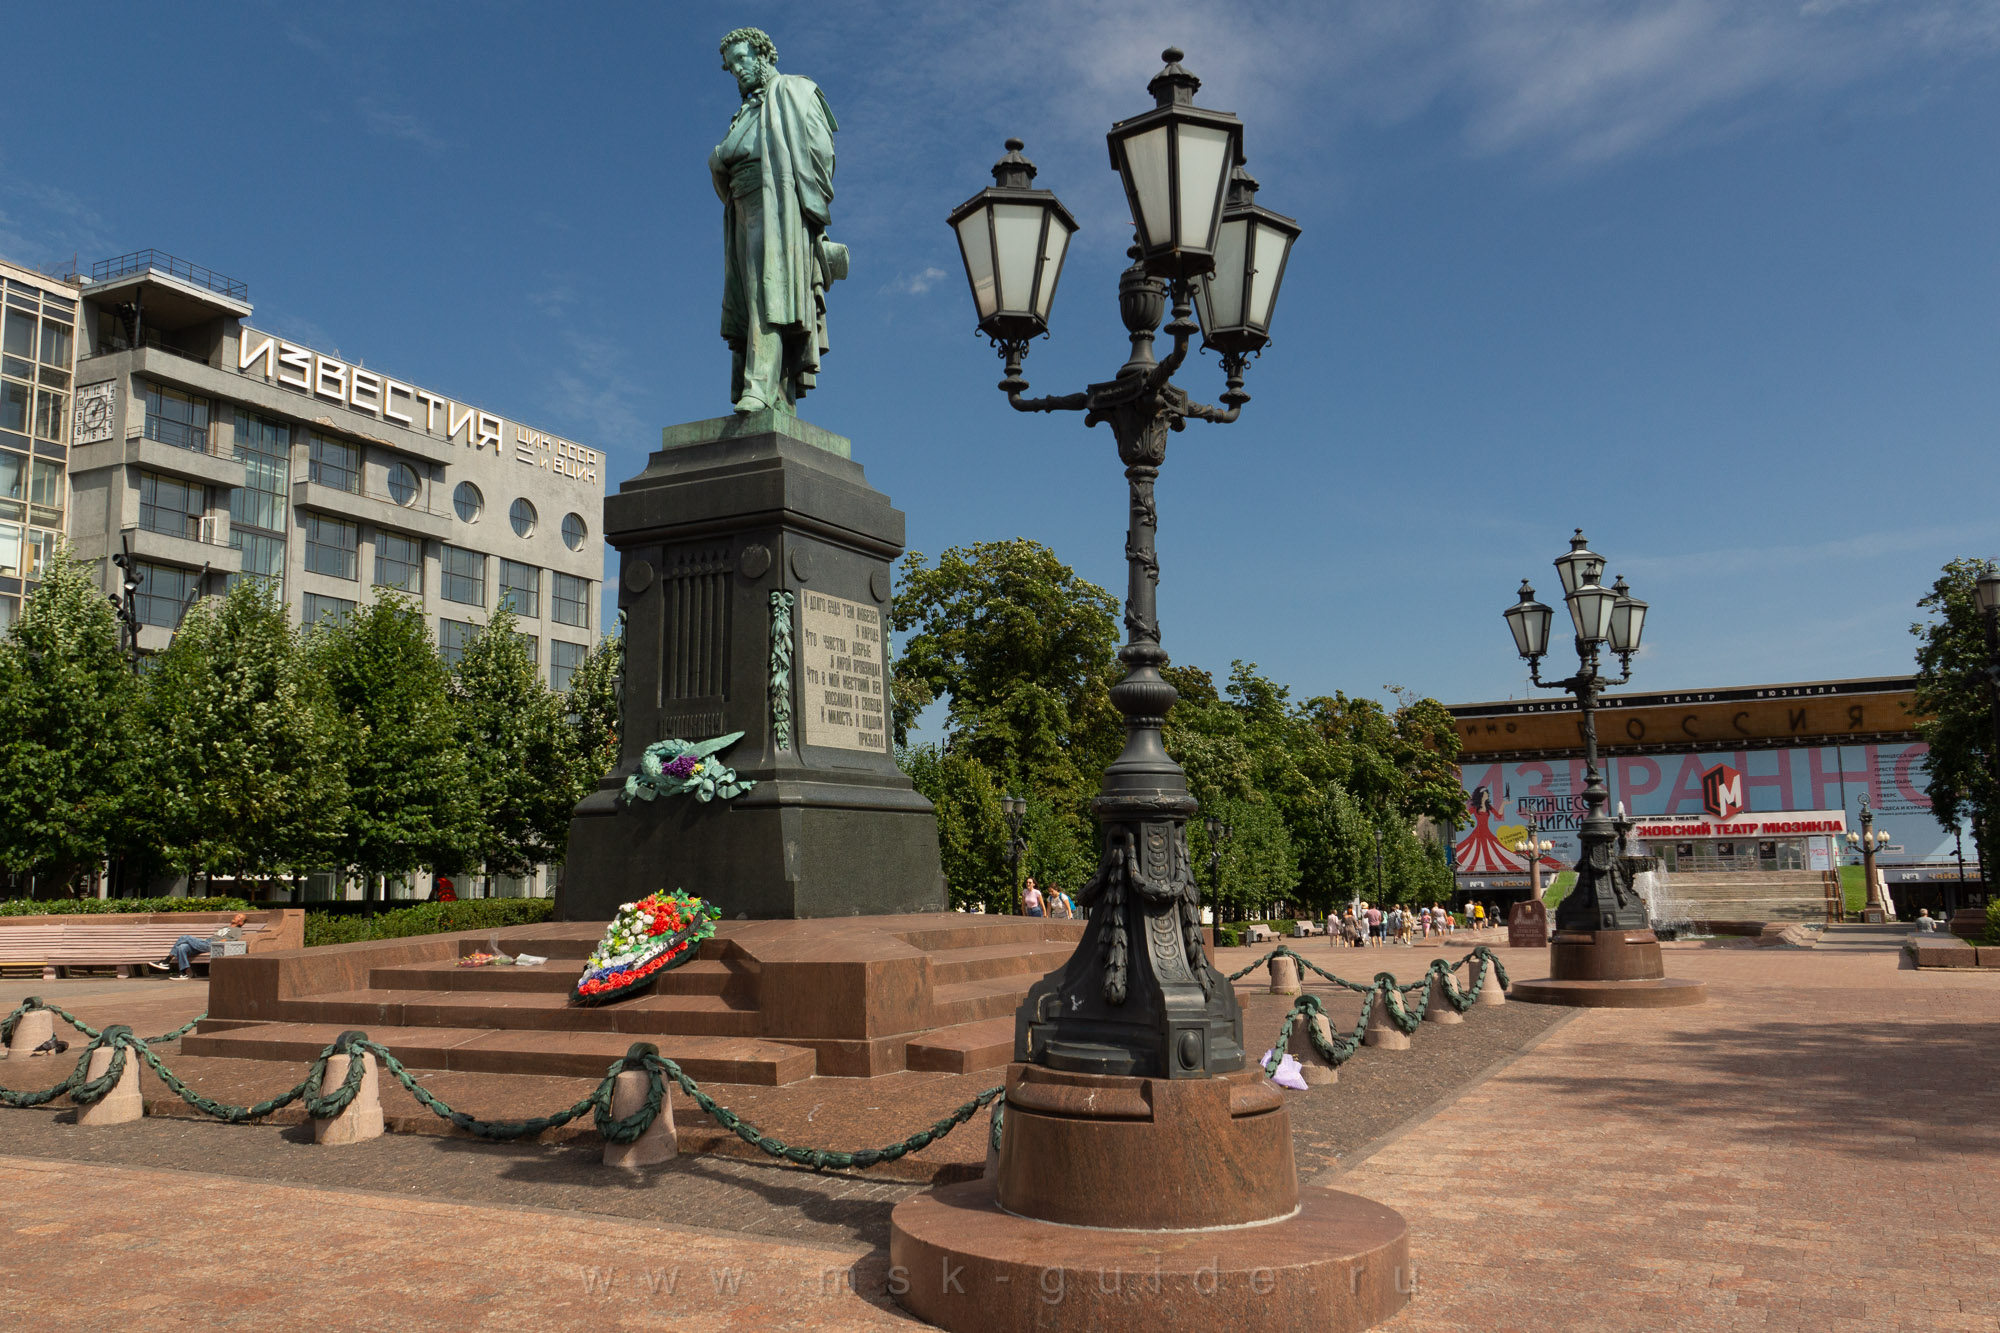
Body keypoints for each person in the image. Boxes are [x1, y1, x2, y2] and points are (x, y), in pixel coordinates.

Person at [709, 26, 846, 416]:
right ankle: (775, 394)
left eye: (741, 60)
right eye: (730, 65)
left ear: (763, 54)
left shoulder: (795, 91)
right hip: (741, 205)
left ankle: (759, 386)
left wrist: (807, 211)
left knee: (768, 294)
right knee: (747, 300)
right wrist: (719, 159)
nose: (736, 70)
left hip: (778, 205)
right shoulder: (747, 109)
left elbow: (822, 153)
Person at [150, 913, 248, 980]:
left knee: (184, 937)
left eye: (239, 917)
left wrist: (225, 940)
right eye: (237, 915)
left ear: (241, 923)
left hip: (212, 945)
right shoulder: (225, 927)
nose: (236, 916)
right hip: (206, 942)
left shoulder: (237, 930)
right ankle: (183, 973)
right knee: (182, 947)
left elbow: (237, 939)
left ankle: (167, 961)